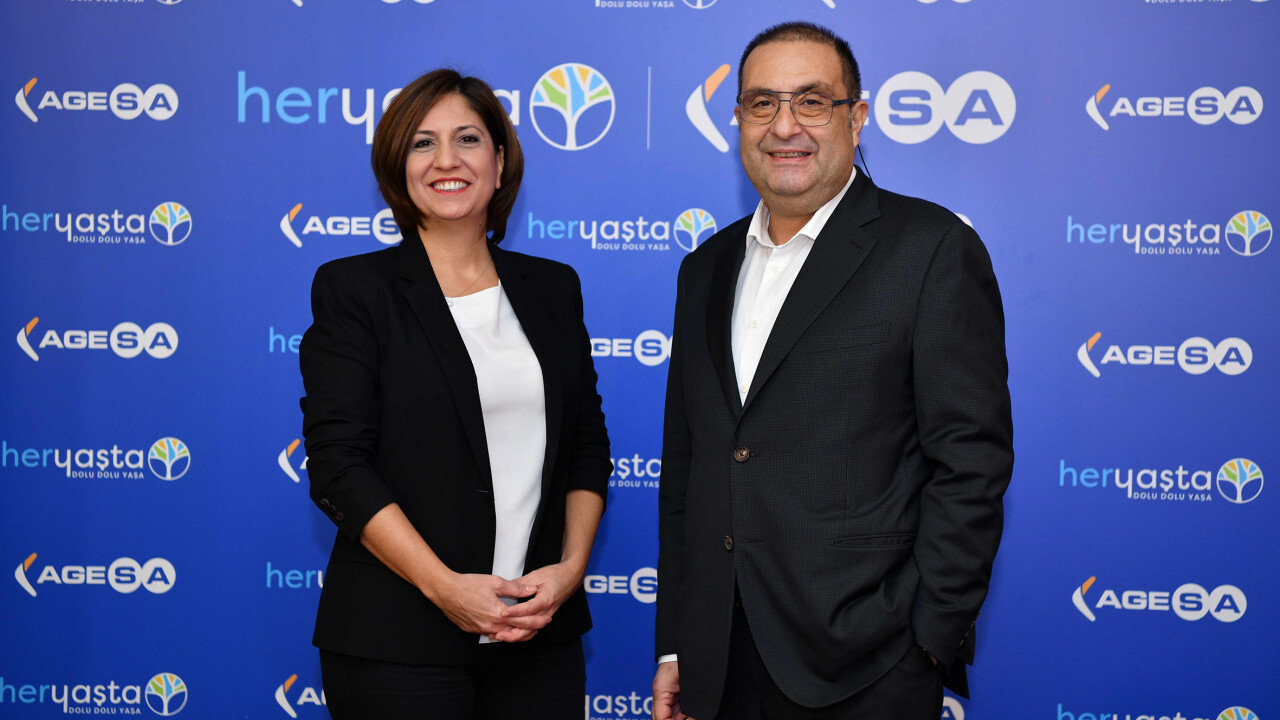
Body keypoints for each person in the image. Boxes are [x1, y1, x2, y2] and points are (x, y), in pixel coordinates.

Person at [652, 22, 1014, 720]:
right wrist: (676, 646)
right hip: (718, 664)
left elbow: (971, 463)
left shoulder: (931, 249)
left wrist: (925, 641)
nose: (784, 126)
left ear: (857, 117)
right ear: (738, 120)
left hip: (866, 667)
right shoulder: (705, 268)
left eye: (812, 101)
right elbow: (688, 470)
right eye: (762, 103)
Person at [299, 68, 610, 720]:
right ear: (398, 167)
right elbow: (338, 467)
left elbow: (587, 445)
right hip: (398, 643)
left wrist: (570, 569)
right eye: (423, 143)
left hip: (539, 638)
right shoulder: (356, 290)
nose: (446, 160)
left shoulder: (554, 287)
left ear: (499, 161)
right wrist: (445, 590)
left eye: (467, 139)